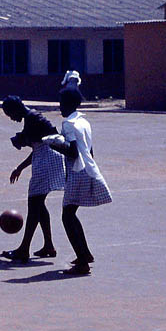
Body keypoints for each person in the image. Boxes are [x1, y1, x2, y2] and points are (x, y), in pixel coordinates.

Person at [44, 88, 112, 275]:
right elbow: (89, 150)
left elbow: (73, 152)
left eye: (61, 102)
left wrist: (55, 143)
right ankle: (85, 254)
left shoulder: (68, 124)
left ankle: (83, 261)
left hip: (77, 171)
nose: (59, 106)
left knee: (67, 216)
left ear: (68, 103)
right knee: (71, 213)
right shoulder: (83, 121)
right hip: (87, 168)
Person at [1, 96, 66, 262]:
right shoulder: (31, 118)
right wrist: (20, 168)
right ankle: (49, 246)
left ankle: (24, 249)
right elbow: (37, 147)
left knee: (34, 204)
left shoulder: (32, 118)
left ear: (17, 108)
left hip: (48, 160)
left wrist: (20, 140)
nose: (11, 118)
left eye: (10, 114)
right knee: (39, 203)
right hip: (46, 158)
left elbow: (32, 141)